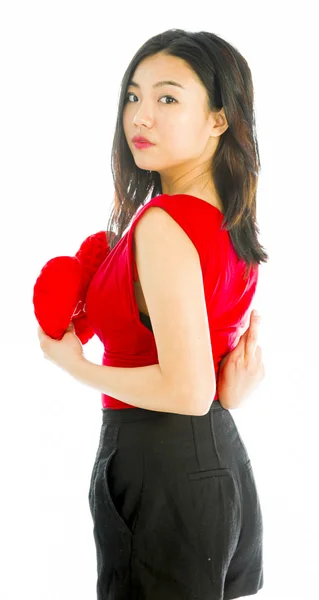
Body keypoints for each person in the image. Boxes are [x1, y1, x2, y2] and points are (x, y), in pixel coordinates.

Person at [38, 28, 268, 600]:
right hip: (213, 460)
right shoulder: (231, 220)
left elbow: (186, 390)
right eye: (133, 96)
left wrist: (75, 365)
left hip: (160, 466)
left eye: (168, 98)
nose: (141, 116)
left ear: (219, 118)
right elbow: (206, 372)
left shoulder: (165, 224)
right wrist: (223, 390)